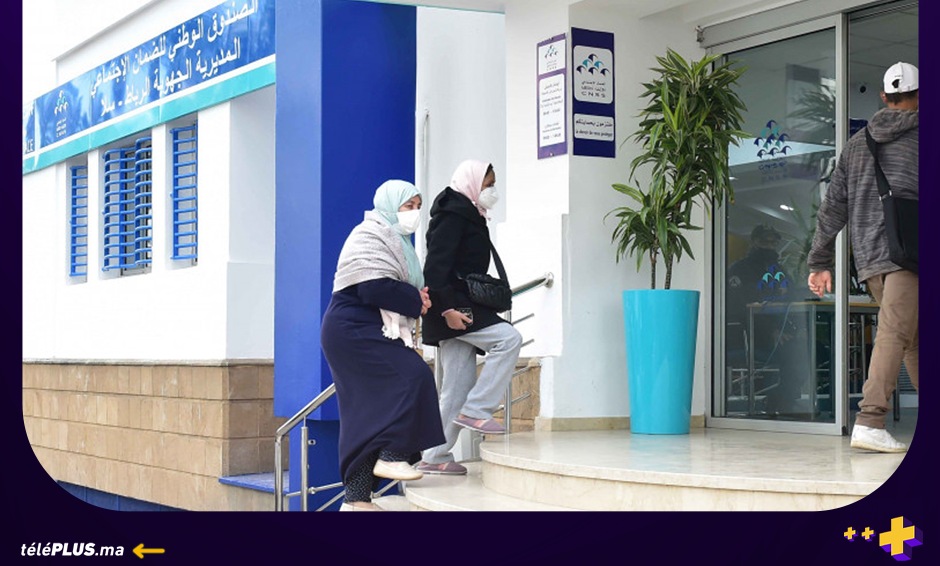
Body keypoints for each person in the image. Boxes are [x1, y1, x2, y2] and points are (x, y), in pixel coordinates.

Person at [808, 62, 919, 453]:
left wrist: (820, 261)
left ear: (884, 97)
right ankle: (870, 421)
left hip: (872, 259)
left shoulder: (857, 144)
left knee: (913, 340)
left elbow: (833, 206)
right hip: (910, 255)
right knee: (896, 333)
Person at [320, 180, 445, 510]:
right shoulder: (369, 234)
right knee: (413, 376)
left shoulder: (398, 241)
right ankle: (392, 455)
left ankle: (357, 499)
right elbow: (372, 287)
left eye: (418, 206)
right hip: (351, 328)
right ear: (389, 205)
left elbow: (392, 287)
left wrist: (418, 299)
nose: (414, 212)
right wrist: (414, 300)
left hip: (367, 328)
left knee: (366, 415)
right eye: (408, 206)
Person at [417, 160, 523, 476]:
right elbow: (435, 268)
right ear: (473, 183)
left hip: (457, 307)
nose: (492, 190)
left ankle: (434, 456)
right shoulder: (453, 216)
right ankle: (477, 409)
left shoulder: (469, 213)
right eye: (488, 184)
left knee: (456, 388)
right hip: (454, 308)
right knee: (509, 339)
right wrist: (447, 310)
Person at [726, 224, 812, 416]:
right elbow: (739, 310)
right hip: (751, 336)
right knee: (796, 352)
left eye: (773, 242)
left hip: (783, 332)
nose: (769, 245)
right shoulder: (739, 271)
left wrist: (800, 328)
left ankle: (781, 399)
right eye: (764, 241)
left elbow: (792, 297)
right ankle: (782, 403)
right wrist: (771, 331)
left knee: (817, 349)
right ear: (753, 242)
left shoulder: (778, 270)